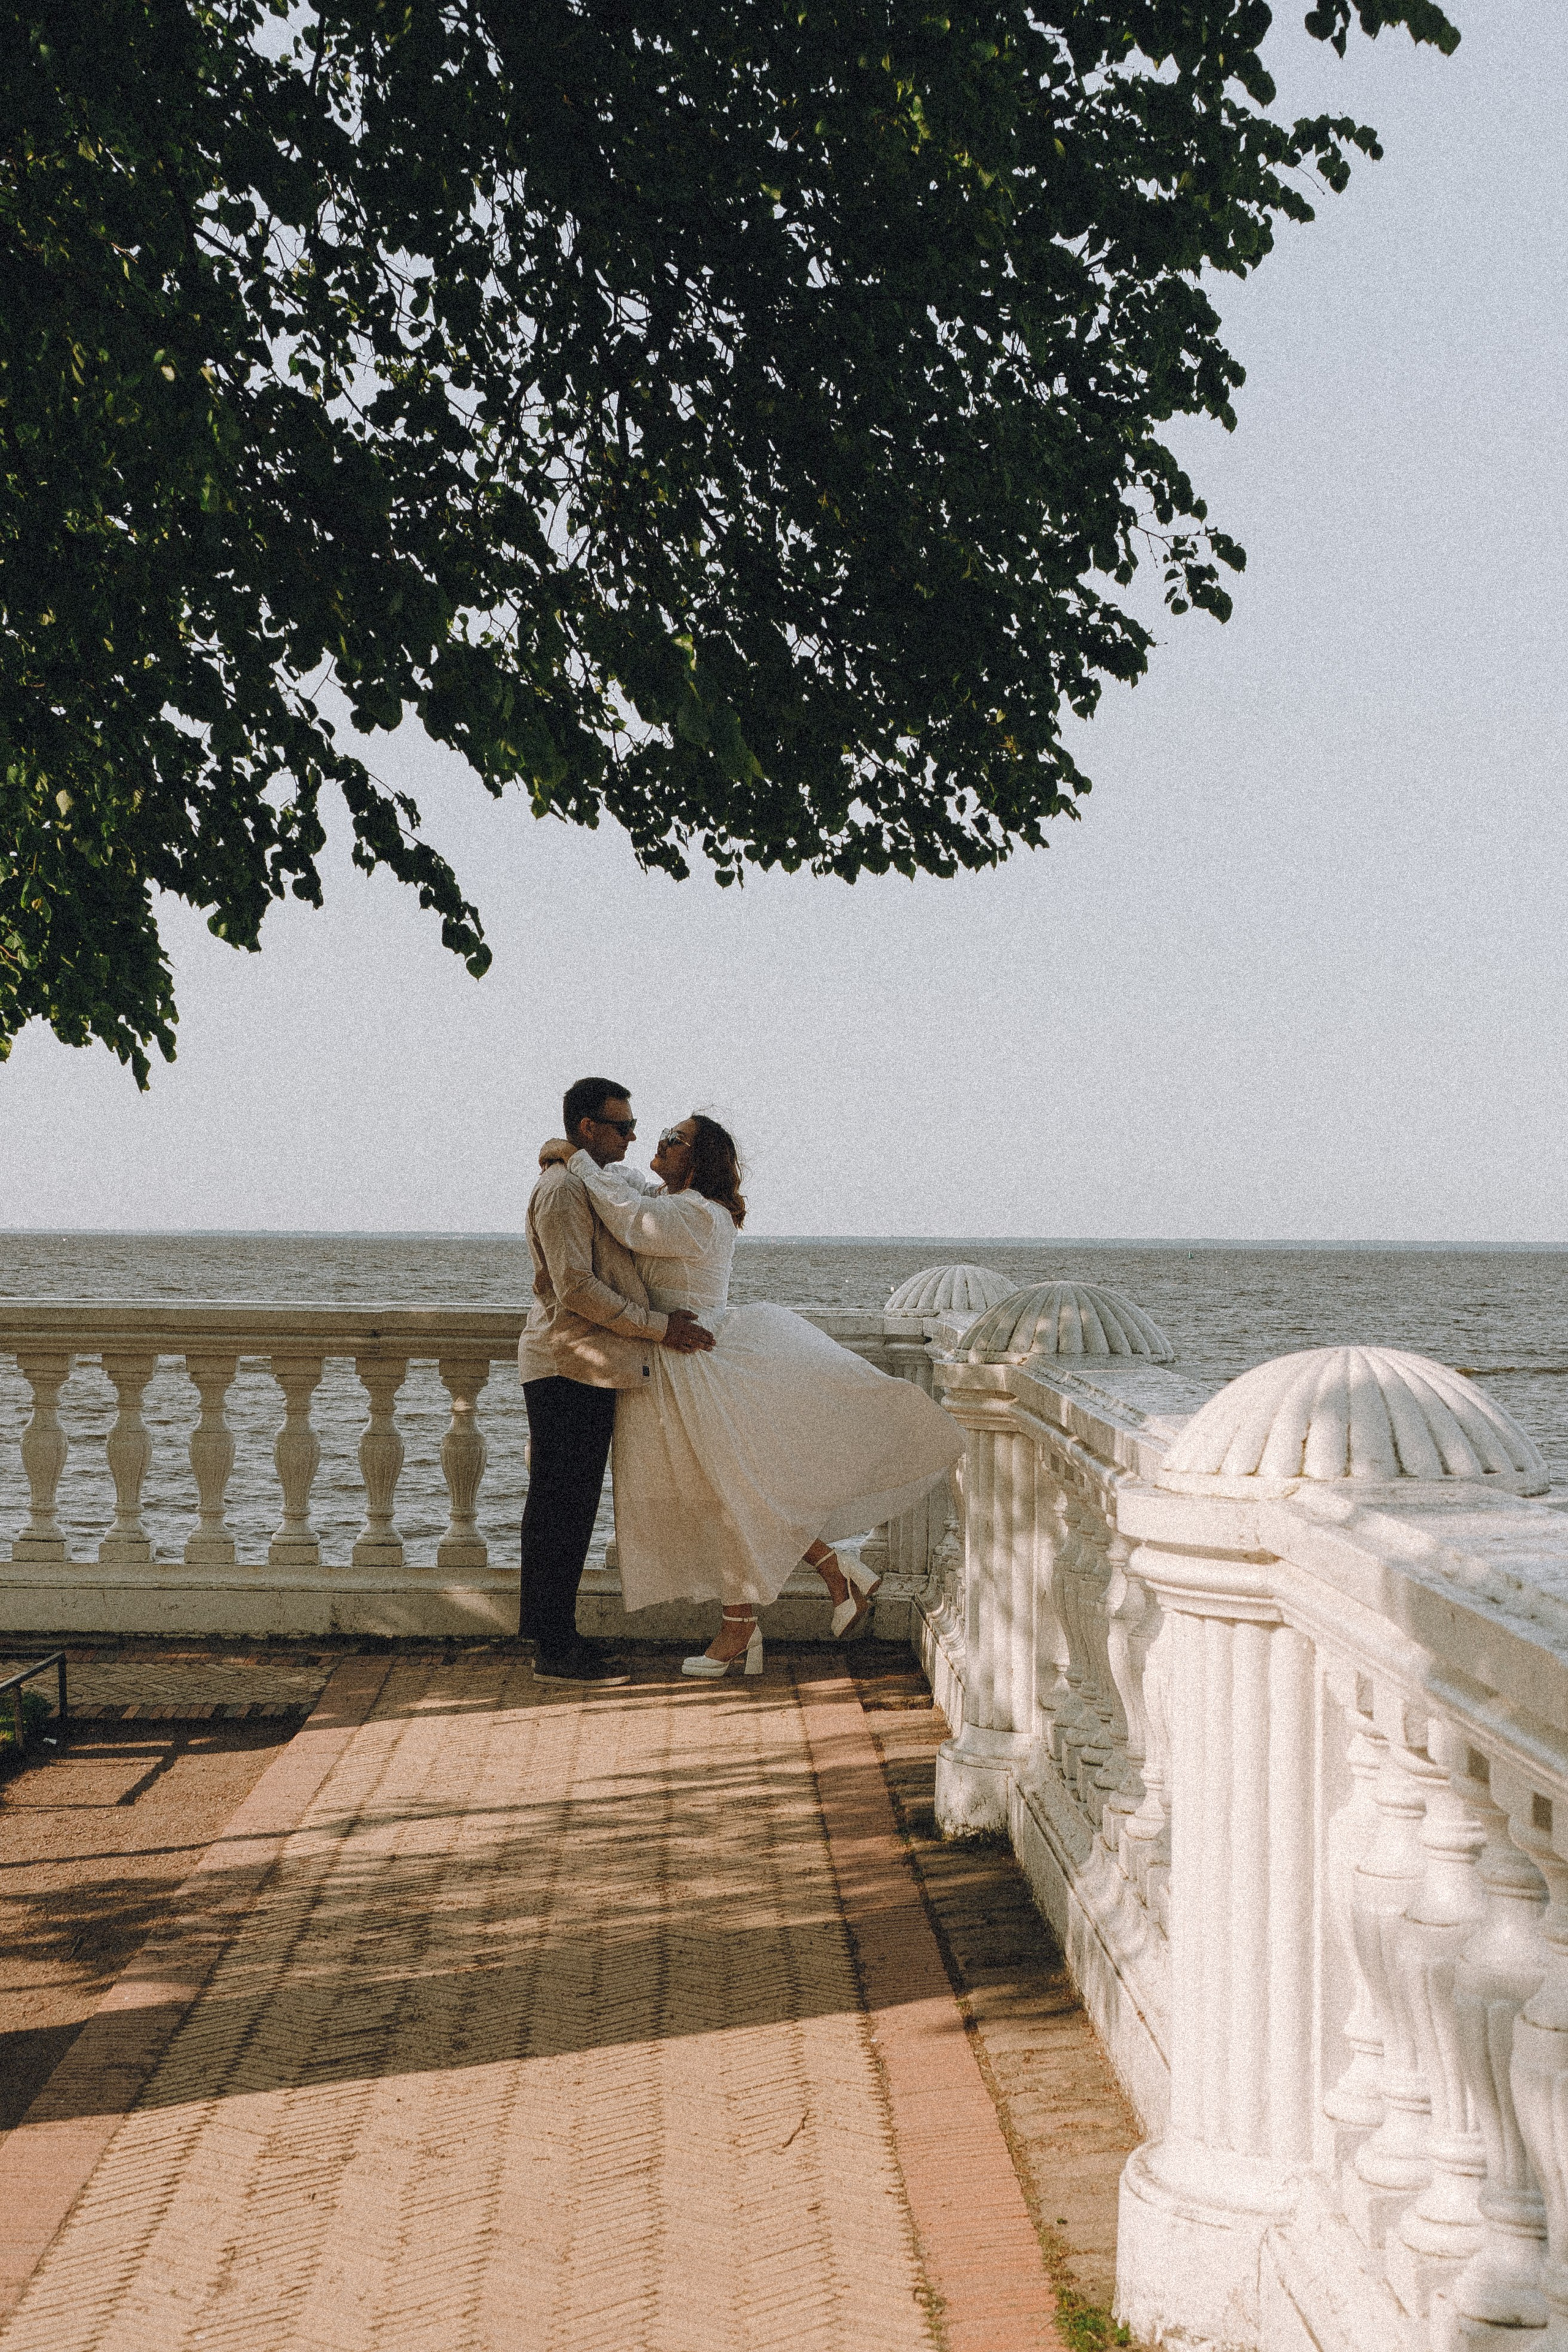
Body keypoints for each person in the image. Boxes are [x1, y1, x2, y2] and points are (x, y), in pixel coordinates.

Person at [539, 1114, 964, 1679]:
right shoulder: (674, 1201)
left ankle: (757, 1617)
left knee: (730, 1494)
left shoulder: (695, 1214)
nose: (659, 1143)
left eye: (674, 1138)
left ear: (699, 1157)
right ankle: (808, 1585)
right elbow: (627, 1196)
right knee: (722, 1497)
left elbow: (629, 1216)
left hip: (698, 1364)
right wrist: (568, 1154)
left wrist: (572, 1155)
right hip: (672, 1363)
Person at [518, 1077, 716, 1685]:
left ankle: (557, 1635)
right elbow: (575, 1287)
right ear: (587, 1128)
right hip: (567, 1360)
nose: (633, 1135)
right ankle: (553, 1647)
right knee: (560, 1505)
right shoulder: (561, 1192)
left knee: (571, 1505)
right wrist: (658, 1328)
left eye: (634, 1127)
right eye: (622, 1126)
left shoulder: (594, 1185)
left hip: (592, 1360)